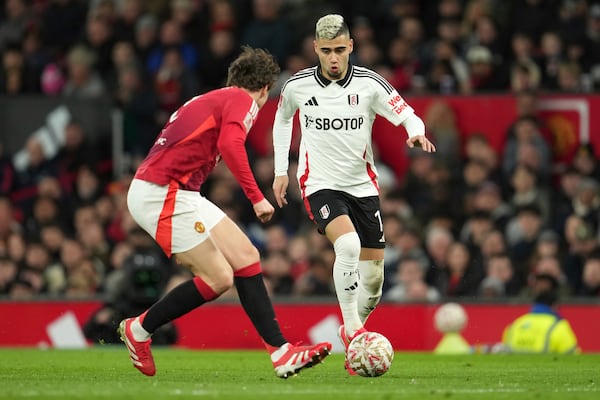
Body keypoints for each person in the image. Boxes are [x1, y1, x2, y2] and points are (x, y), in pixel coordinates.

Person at [119, 46, 331, 379]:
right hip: (162, 193)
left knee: (246, 256)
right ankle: (140, 329)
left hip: (176, 191)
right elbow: (230, 146)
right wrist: (256, 197)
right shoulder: (243, 100)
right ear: (264, 89)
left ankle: (281, 353)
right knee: (219, 278)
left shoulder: (214, 98)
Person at [271, 14, 436, 375]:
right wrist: (281, 171)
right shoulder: (297, 86)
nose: (333, 58)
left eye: (340, 50)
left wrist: (415, 131)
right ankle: (354, 331)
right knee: (347, 246)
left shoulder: (370, 84)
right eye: (326, 50)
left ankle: (354, 333)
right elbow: (282, 120)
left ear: (351, 47)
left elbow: (407, 113)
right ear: (315, 48)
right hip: (319, 184)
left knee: (373, 281)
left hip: (363, 187)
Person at [501, 273, 580, 354]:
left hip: (515, 366)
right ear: (554, 306)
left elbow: (504, 352)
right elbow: (574, 357)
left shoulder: (514, 325)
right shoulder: (558, 326)